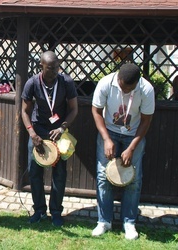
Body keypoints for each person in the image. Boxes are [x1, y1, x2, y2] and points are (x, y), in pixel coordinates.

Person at [91, 63, 155, 240]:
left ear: (137, 83)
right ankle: (104, 221)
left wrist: (132, 147)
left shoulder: (146, 89)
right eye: (122, 86)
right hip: (109, 131)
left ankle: (129, 222)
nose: (125, 90)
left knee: (133, 179)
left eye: (129, 88)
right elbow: (96, 111)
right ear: (117, 78)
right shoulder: (105, 83)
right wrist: (106, 139)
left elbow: (146, 120)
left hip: (133, 134)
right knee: (103, 176)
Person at [21, 51, 78, 226]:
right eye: (50, 68)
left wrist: (62, 127)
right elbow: (24, 111)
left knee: (59, 174)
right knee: (34, 172)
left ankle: (56, 212)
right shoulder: (32, 83)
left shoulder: (66, 82)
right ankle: (39, 210)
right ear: (41, 66)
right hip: (38, 132)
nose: (55, 72)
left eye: (57, 68)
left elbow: (74, 109)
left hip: (58, 132)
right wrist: (32, 134)